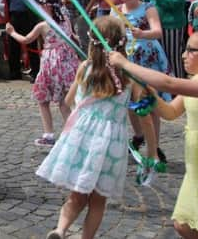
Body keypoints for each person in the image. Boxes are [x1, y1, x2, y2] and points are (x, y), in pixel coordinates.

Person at [109, 24, 198, 239]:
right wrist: (149, 93)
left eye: (191, 50)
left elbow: (169, 83)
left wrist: (125, 64)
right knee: (184, 224)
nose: (183, 54)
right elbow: (169, 112)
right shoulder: (196, 81)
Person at [38, 16, 157, 239]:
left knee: (77, 193)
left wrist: (82, 113)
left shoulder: (85, 67)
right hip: (111, 142)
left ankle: (60, 229)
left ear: (92, 41)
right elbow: (145, 116)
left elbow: (67, 100)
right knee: (98, 200)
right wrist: (151, 153)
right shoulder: (129, 75)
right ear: (122, 43)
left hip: (82, 136)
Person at [111, 0, 172, 163]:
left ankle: (155, 147)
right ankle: (139, 135)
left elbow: (157, 32)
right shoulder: (116, 11)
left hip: (149, 59)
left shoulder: (148, 8)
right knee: (131, 101)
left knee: (151, 102)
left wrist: (142, 34)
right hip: (128, 60)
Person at [6, 0, 80, 146]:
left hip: (51, 65)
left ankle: (49, 134)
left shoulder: (43, 26)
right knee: (65, 101)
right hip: (68, 63)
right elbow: (72, 36)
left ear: (47, 6)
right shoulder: (66, 19)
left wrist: (12, 32)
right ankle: (74, 134)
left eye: (41, 5)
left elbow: (26, 40)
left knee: (43, 98)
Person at [146, 0, 187, 78]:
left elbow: (174, 3)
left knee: (173, 56)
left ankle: (179, 83)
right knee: (161, 55)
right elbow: (152, 1)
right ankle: (166, 82)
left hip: (172, 26)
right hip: (158, 25)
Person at [3, 0, 41, 81]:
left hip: (28, 15)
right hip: (15, 14)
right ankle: (14, 72)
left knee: (31, 43)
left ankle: (36, 72)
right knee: (13, 45)